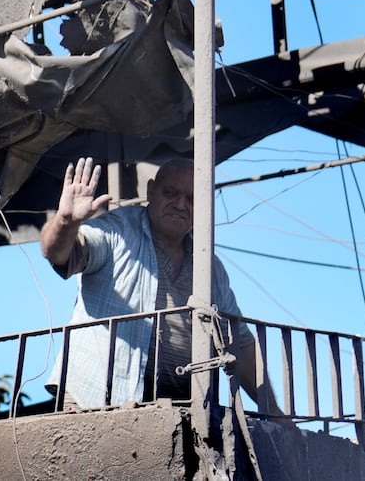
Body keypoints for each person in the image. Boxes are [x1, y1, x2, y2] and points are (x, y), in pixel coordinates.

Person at [41, 156, 279, 412]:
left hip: (178, 412)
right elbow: (57, 253)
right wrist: (66, 221)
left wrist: (275, 412)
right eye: (171, 193)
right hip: (94, 405)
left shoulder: (209, 268)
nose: (180, 204)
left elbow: (239, 342)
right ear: (151, 190)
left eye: (191, 199)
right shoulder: (117, 230)